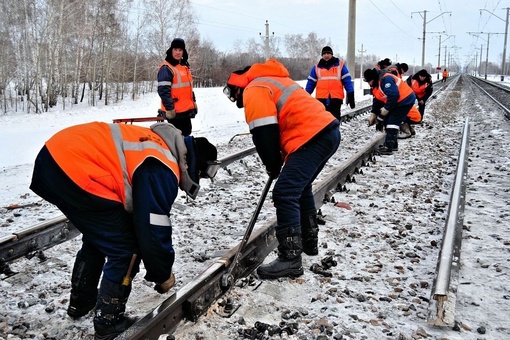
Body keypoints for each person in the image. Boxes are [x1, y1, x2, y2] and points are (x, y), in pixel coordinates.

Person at [30, 121, 217, 340]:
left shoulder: (156, 143)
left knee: (100, 237)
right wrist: (162, 274)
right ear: (196, 164)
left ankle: (81, 303)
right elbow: (153, 230)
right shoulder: (164, 166)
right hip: (75, 168)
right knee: (127, 250)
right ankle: (109, 322)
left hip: (52, 160)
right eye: (204, 174)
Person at [224, 59, 341, 279]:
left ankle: (290, 258)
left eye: (233, 95)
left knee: (285, 192)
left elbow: (264, 132)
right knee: (300, 187)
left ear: (237, 87)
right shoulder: (273, 79)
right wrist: (276, 162)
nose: (235, 99)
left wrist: (273, 164)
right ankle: (309, 243)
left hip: (313, 137)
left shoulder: (254, 89)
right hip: (327, 132)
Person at [363, 67, 416, 155]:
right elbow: (377, 100)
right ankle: (393, 145)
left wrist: (386, 109)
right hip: (398, 101)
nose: (368, 83)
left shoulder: (385, 79)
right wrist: (374, 113)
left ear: (374, 78)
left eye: (369, 81)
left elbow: (394, 95)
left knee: (392, 122)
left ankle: (388, 147)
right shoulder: (375, 85)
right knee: (387, 121)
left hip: (405, 100)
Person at [157, 38, 198, 136]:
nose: (177, 52)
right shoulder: (166, 68)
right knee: (177, 141)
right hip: (175, 113)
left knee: (186, 134)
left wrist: (194, 102)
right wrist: (170, 109)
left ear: (183, 52)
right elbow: (163, 91)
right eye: (175, 49)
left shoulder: (184, 67)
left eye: (180, 50)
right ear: (171, 50)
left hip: (185, 111)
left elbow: (188, 88)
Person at [305, 46, 355, 120]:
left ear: (332, 54)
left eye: (328, 53)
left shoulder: (340, 66)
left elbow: (347, 81)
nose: (326, 55)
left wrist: (351, 95)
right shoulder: (316, 68)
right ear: (322, 55)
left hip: (336, 99)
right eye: (324, 53)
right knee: (322, 122)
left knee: (334, 120)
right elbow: (310, 83)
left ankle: (334, 131)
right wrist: (305, 96)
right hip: (321, 99)